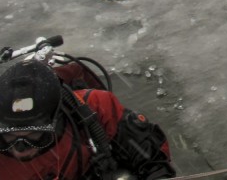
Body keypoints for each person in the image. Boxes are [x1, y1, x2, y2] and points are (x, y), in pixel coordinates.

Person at [0, 59, 175, 179]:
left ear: (57, 119)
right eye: (8, 137)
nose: (20, 149)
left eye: (34, 136)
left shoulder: (95, 107)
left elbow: (152, 159)